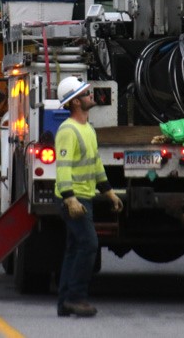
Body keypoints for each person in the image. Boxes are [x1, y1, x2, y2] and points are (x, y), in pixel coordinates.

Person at [54, 76, 123, 317]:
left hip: (85, 198)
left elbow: (95, 165)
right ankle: (76, 298)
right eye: (85, 94)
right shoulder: (68, 131)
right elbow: (62, 167)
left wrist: (109, 193)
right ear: (74, 102)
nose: (91, 96)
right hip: (72, 200)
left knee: (74, 248)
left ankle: (64, 302)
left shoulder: (88, 129)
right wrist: (69, 199)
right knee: (89, 244)